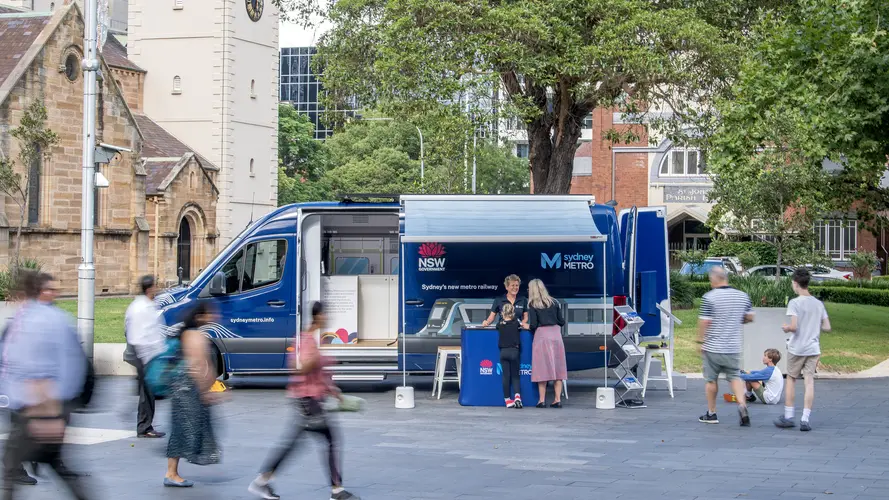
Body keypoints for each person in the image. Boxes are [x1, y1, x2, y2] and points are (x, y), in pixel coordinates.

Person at [249, 302, 359, 500]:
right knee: (331, 440)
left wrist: (334, 392)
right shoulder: (306, 340)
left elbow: (318, 374)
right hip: (308, 400)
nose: (327, 318)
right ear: (317, 316)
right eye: (325, 314)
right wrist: (314, 361)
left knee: (294, 443)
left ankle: (262, 481)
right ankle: (336, 489)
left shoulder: (313, 340)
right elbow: (299, 368)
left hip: (310, 399)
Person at [1, 271, 92, 500]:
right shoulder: (38, 319)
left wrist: (53, 411)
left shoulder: (38, 321)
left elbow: (65, 366)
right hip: (38, 408)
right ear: (39, 292)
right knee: (43, 463)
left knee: (25, 465)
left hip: (41, 408)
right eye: (50, 289)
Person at [697, 266, 754, 426]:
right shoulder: (742, 296)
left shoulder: (709, 297)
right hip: (733, 346)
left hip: (713, 347)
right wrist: (738, 320)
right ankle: (742, 405)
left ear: (714, 279)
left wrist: (700, 341)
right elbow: (749, 317)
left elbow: (704, 322)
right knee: (735, 377)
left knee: (711, 380)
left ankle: (712, 413)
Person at [774, 268, 830, 432]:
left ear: (796, 283)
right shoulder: (818, 304)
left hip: (797, 348)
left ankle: (789, 416)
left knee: (791, 379)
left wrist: (786, 328)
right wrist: (814, 326)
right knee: (809, 381)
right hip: (813, 348)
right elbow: (827, 326)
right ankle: (805, 418)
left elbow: (794, 326)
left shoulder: (795, 302)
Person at [124, 275, 166, 439]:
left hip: (145, 353)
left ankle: (144, 424)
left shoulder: (142, 305)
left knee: (147, 392)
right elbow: (140, 334)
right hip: (145, 354)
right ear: (150, 288)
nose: (157, 289)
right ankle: (144, 427)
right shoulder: (141, 308)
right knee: (147, 393)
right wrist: (149, 357)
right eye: (155, 286)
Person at [527, 279, 566, 408]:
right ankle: (557, 399)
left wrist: (524, 324)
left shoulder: (533, 304)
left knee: (542, 367)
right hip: (556, 334)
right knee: (557, 367)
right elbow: (561, 321)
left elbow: (533, 325)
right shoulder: (554, 302)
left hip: (542, 335)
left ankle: (542, 400)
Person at [496, 303, 522, 409]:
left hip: (503, 352)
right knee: (515, 376)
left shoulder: (499, 324)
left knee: (506, 377)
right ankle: (517, 397)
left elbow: (498, 325)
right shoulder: (516, 323)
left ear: (502, 312)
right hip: (514, 351)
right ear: (513, 312)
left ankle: (507, 400)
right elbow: (520, 324)